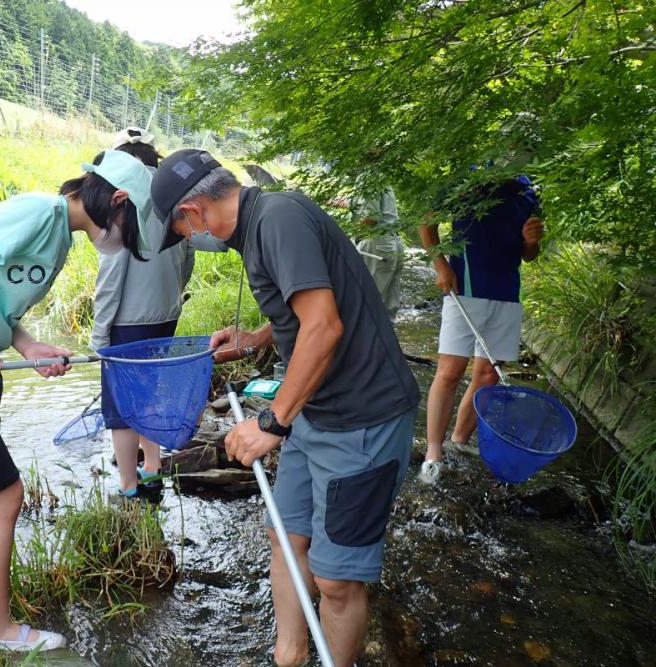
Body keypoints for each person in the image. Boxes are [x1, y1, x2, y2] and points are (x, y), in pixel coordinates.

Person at [150, 149, 420, 667]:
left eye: (181, 230)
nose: (189, 240)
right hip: (314, 411)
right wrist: (255, 338)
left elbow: (325, 327)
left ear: (195, 212)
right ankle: (288, 656)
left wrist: (272, 422)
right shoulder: (258, 228)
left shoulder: (279, 217)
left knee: (336, 579)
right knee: (286, 537)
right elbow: (306, 308)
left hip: (363, 418)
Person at [0, 149, 153, 652]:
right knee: (5, 494)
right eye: (132, 223)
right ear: (117, 201)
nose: (127, 236)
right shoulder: (39, 211)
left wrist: (26, 344)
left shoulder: (61, 235)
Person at [418, 171, 544, 485]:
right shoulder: (470, 176)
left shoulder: (529, 190)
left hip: (507, 291)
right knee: (450, 370)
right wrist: (441, 265)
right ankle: (433, 453)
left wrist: (532, 242)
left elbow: (529, 255)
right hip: (466, 287)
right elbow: (427, 223)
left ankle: (458, 443)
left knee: (488, 374)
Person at [90, 127, 195, 499]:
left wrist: (99, 336)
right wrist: (174, 294)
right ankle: (152, 468)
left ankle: (128, 485)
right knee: (151, 395)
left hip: (127, 323)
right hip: (166, 314)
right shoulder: (172, 197)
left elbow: (111, 275)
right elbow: (188, 255)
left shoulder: (120, 198)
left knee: (121, 406)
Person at [350, 185, 405, 319]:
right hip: (393, 242)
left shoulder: (367, 177)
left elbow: (370, 218)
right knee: (389, 308)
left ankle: (367, 339)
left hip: (376, 244)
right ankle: (386, 339)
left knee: (369, 303)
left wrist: (343, 231)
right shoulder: (383, 177)